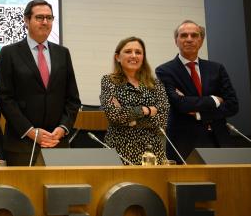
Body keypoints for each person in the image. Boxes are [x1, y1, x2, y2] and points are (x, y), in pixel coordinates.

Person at [0, 0, 81, 166]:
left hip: (57, 142)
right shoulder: (9, 53)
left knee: (59, 191)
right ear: (26, 21)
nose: (45, 22)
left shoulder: (62, 53)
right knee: (23, 192)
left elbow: (72, 98)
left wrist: (63, 129)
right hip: (22, 144)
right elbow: (5, 98)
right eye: (39, 17)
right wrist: (30, 132)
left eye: (49, 18)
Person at [155, 20, 238, 161]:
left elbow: (232, 105)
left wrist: (199, 114)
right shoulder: (164, 70)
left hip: (218, 139)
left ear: (201, 40)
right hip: (183, 142)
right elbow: (179, 104)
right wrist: (214, 99)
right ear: (176, 40)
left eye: (194, 35)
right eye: (184, 35)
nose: (189, 39)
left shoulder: (216, 69)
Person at [100, 36, 169, 165]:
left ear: (143, 57)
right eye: (128, 51)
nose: (134, 55)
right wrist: (147, 110)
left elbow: (163, 119)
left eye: (138, 52)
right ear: (117, 57)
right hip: (119, 150)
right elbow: (114, 115)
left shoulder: (155, 83)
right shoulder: (109, 81)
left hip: (153, 152)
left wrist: (130, 120)